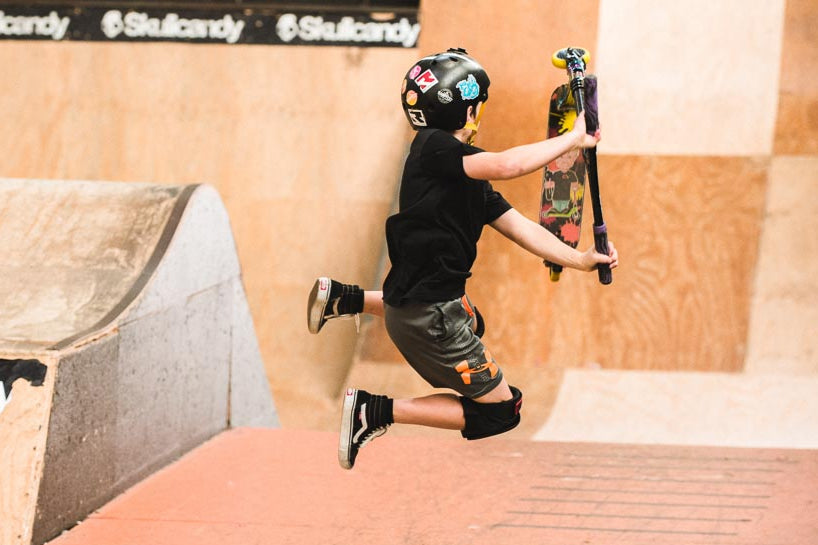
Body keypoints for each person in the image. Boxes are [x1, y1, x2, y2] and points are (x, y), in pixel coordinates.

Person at [307, 48, 618, 470]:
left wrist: (581, 259)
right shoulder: (434, 149)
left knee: (473, 319)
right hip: (428, 318)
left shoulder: (461, 171)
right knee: (501, 411)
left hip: (412, 302)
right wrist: (573, 138)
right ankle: (372, 410)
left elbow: (522, 227)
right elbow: (508, 164)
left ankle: (346, 298)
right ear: (469, 112)